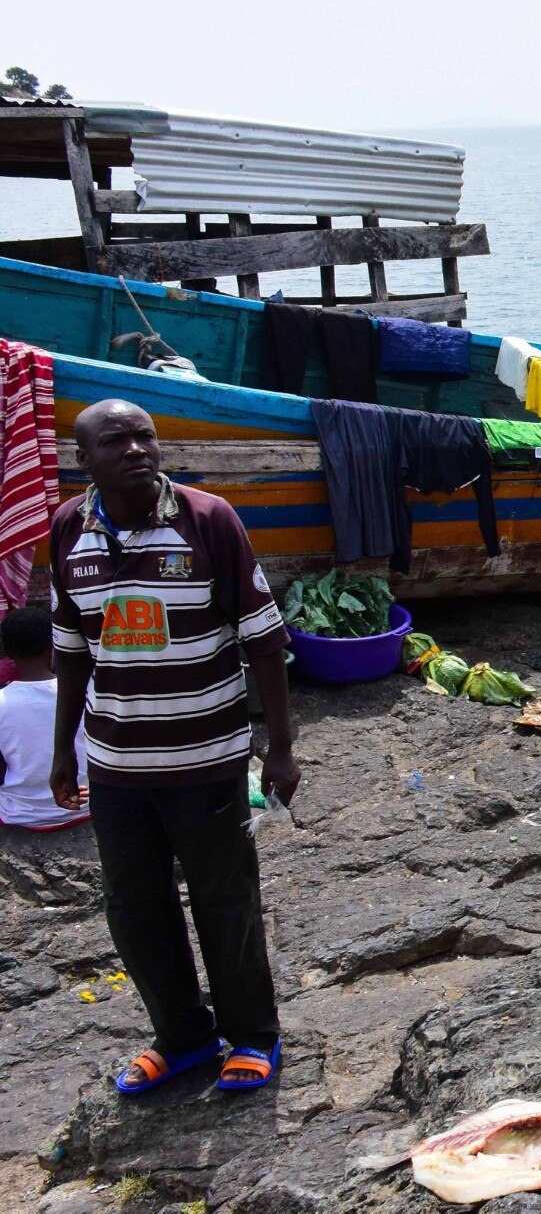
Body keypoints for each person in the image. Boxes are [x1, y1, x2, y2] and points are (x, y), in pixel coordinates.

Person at [49, 400, 297, 1096]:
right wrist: (63, 749)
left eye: (144, 436)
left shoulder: (209, 519)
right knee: (133, 906)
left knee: (225, 899)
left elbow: (265, 640)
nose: (135, 449)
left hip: (208, 759)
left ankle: (251, 1034)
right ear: (84, 460)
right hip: (118, 765)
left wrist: (279, 748)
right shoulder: (68, 528)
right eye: (115, 441)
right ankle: (183, 1037)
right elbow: (71, 652)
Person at [0, 605, 89, 831]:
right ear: (52, 645)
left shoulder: (2, 701)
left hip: (21, 815)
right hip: (85, 806)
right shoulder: (83, 691)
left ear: (8, 653)